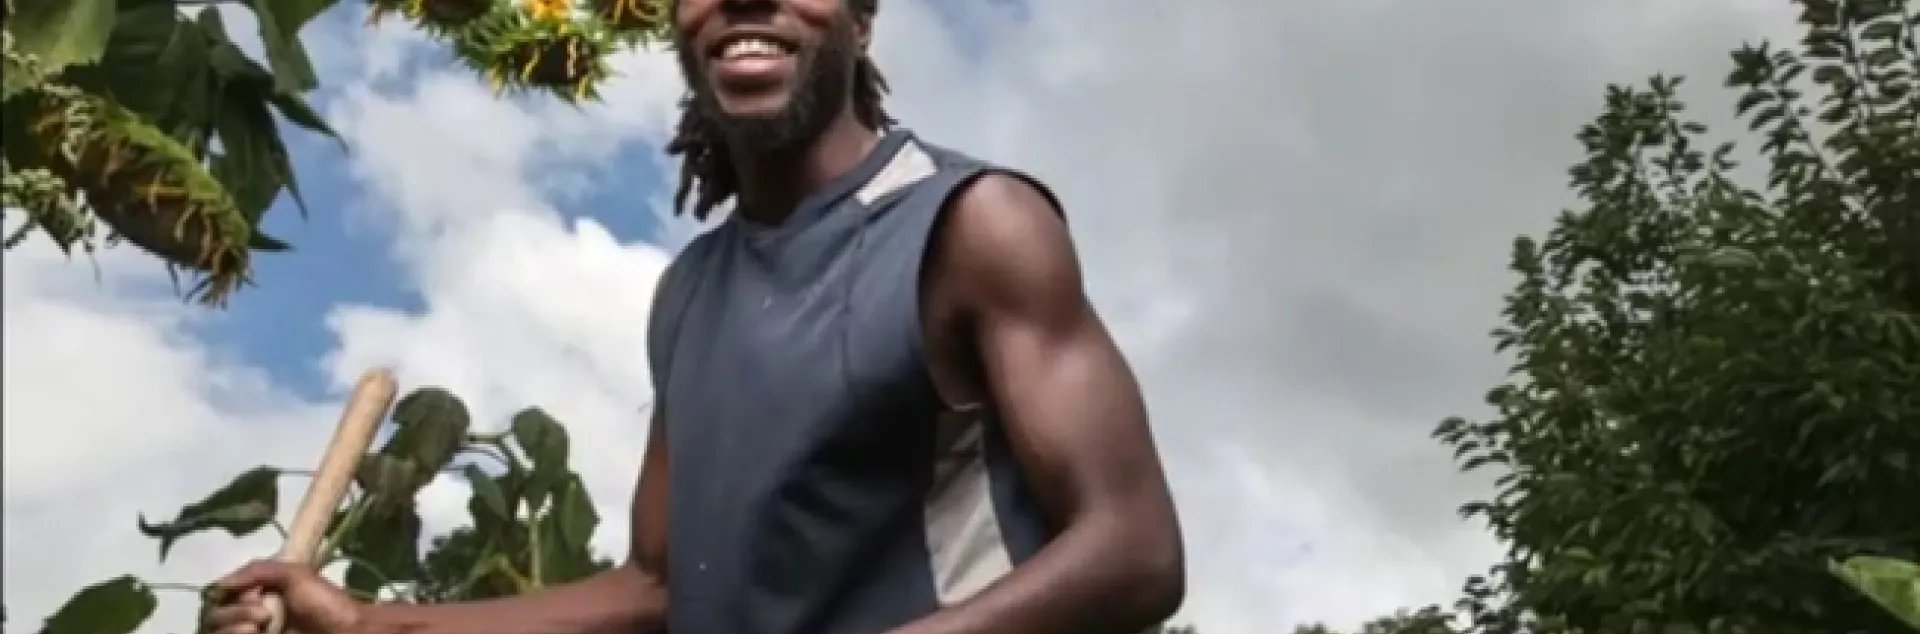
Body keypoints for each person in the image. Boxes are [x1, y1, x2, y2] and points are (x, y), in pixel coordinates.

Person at [202, 0, 1185, 632]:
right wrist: (369, 623)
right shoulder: (691, 290)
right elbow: (657, 585)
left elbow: (1135, 551)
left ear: (863, 17)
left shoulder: (972, 225)